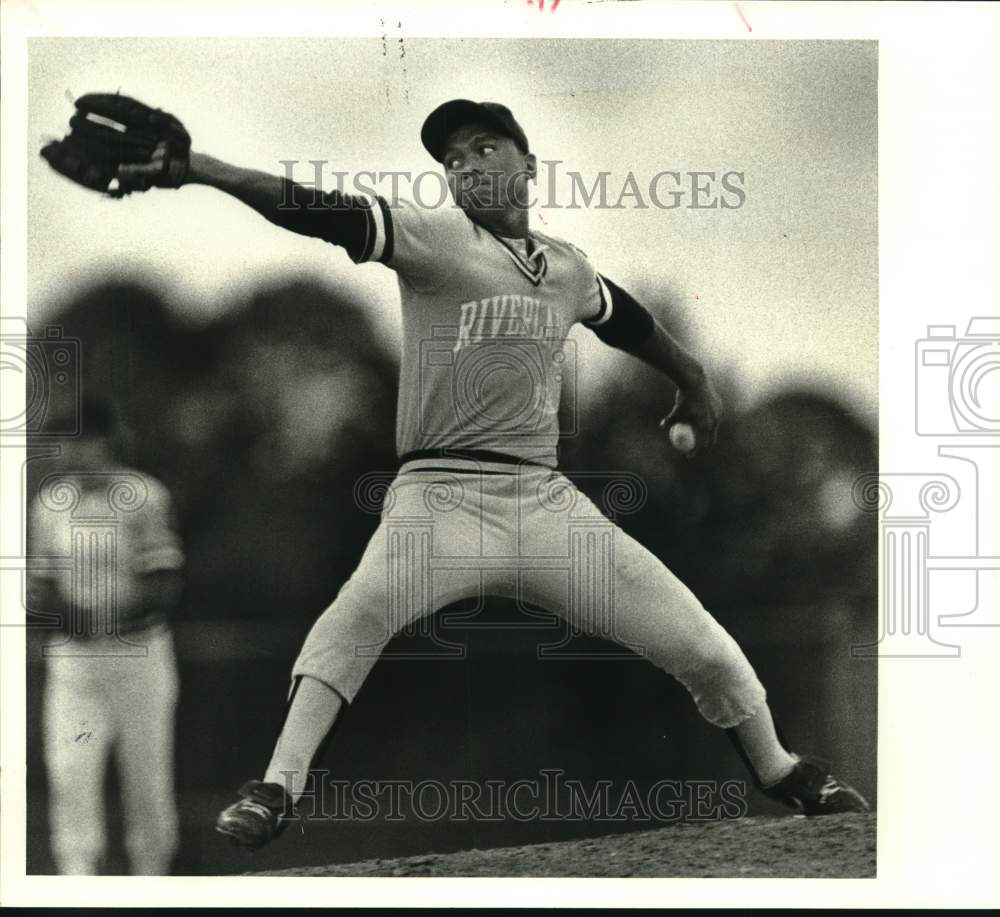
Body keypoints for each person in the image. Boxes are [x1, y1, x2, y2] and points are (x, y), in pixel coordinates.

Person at [116, 98, 869, 851]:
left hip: (543, 504)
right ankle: (278, 785)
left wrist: (693, 375)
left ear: (528, 164)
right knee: (359, 611)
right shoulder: (436, 238)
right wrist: (203, 170)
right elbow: (320, 210)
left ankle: (781, 767)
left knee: (698, 639)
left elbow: (623, 317)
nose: (464, 166)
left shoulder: (567, 267)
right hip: (439, 496)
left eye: (483, 147)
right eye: (451, 159)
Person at [27, 397, 185, 874]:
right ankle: (78, 882)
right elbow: (42, 587)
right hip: (77, 663)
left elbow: (164, 582)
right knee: (71, 773)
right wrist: (58, 610)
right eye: (61, 440)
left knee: (147, 779)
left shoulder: (143, 494)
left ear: (104, 440)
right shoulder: (50, 503)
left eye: (77, 438)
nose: (68, 450)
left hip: (137, 655)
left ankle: (150, 885)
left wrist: (108, 615)